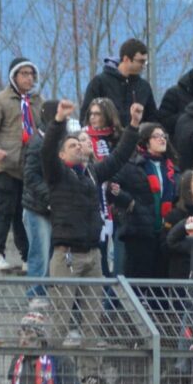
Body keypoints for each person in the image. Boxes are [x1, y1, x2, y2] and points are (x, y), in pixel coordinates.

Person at [39, 99, 140, 357]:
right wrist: (59, 121)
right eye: (71, 145)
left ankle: (90, 372)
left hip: (93, 254)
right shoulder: (57, 174)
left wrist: (133, 126)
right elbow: (47, 150)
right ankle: (50, 369)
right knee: (60, 317)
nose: (78, 146)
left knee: (93, 318)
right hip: (67, 255)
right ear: (62, 155)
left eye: (79, 144)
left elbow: (119, 158)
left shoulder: (93, 173)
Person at [0, 57, 43, 272]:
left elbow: (44, 129)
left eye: (31, 74)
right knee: (6, 210)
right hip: (6, 164)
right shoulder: (0, 101)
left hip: (30, 167)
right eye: (24, 74)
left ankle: (27, 257)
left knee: (24, 214)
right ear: (14, 76)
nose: (29, 78)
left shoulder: (37, 102)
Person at [112, 122, 179, 280]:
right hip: (139, 232)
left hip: (164, 234)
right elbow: (112, 187)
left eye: (164, 136)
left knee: (160, 285)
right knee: (138, 282)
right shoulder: (132, 165)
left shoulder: (172, 169)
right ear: (146, 141)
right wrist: (130, 203)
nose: (162, 139)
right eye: (156, 136)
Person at [21, 101, 61, 299]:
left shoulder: (61, 140)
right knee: (40, 254)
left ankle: (46, 296)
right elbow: (30, 176)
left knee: (53, 256)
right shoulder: (37, 142)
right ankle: (35, 298)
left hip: (55, 208)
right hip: (37, 208)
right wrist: (50, 196)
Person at [83, 97, 123, 274]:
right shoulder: (83, 137)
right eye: (91, 114)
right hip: (96, 201)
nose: (93, 117)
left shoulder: (117, 138)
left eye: (97, 114)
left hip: (117, 200)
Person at [80, 38, 156, 128]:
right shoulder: (99, 82)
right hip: (105, 135)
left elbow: (152, 120)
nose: (143, 66)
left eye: (145, 62)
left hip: (136, 136)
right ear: (126, 59)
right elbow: (86, 117)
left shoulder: (144, 87)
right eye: (141, 61)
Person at [163, 171, 193, 279]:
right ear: (187, 188)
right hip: (182, 272)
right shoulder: (175, 214)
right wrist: (189, 240)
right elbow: (165, 246)